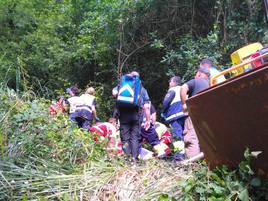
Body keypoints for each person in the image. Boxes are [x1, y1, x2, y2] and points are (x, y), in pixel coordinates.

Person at [113, 71, 151, 162]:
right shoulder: (142, 89)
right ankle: (134, 159)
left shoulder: (123, 84)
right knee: (135, 137)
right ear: (138, 78)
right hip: (136, 115)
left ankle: (127, 158)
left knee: (125, 137)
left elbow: (114, 93)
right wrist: (148, 120)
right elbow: (147, 106)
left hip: (124, 114)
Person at [180, 67, 210, 159]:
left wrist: (185, 104)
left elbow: (183, 88)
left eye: (196, 73)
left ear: (199, 74)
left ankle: (193, 166)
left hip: (193, 113)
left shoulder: (196, 81)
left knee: (190, 137)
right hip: (206, 115)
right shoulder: (209, 84)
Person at [162, 76, 185, 141]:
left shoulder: (172, 90)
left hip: (175, 116)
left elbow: (166, 102)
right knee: (187, 133)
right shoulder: (184, 88)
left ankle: (180, 150)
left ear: (174, 82)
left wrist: (163, 111)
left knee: (177, 135)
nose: (169, 83)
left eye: (170, 81)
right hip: (185, 114)